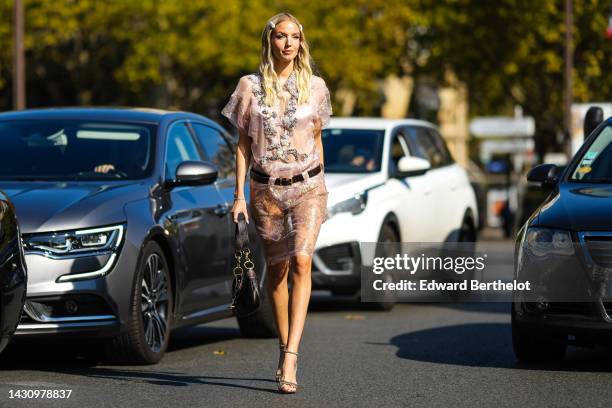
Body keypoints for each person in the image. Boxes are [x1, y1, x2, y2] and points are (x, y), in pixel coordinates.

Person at [221, 12, 331, 394]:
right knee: (278, 270)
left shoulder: (315, 87)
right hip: (265, 188)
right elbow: (243, 146)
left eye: (295, 37)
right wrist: (238, 197)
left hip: (308, 186)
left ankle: (291, 357)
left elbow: (317, 137)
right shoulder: (249, 86)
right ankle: (283, 344)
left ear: (302, 43)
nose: (288, 43)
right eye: (282, 36)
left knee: (302, 260)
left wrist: (324, 183)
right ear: (270, 41)